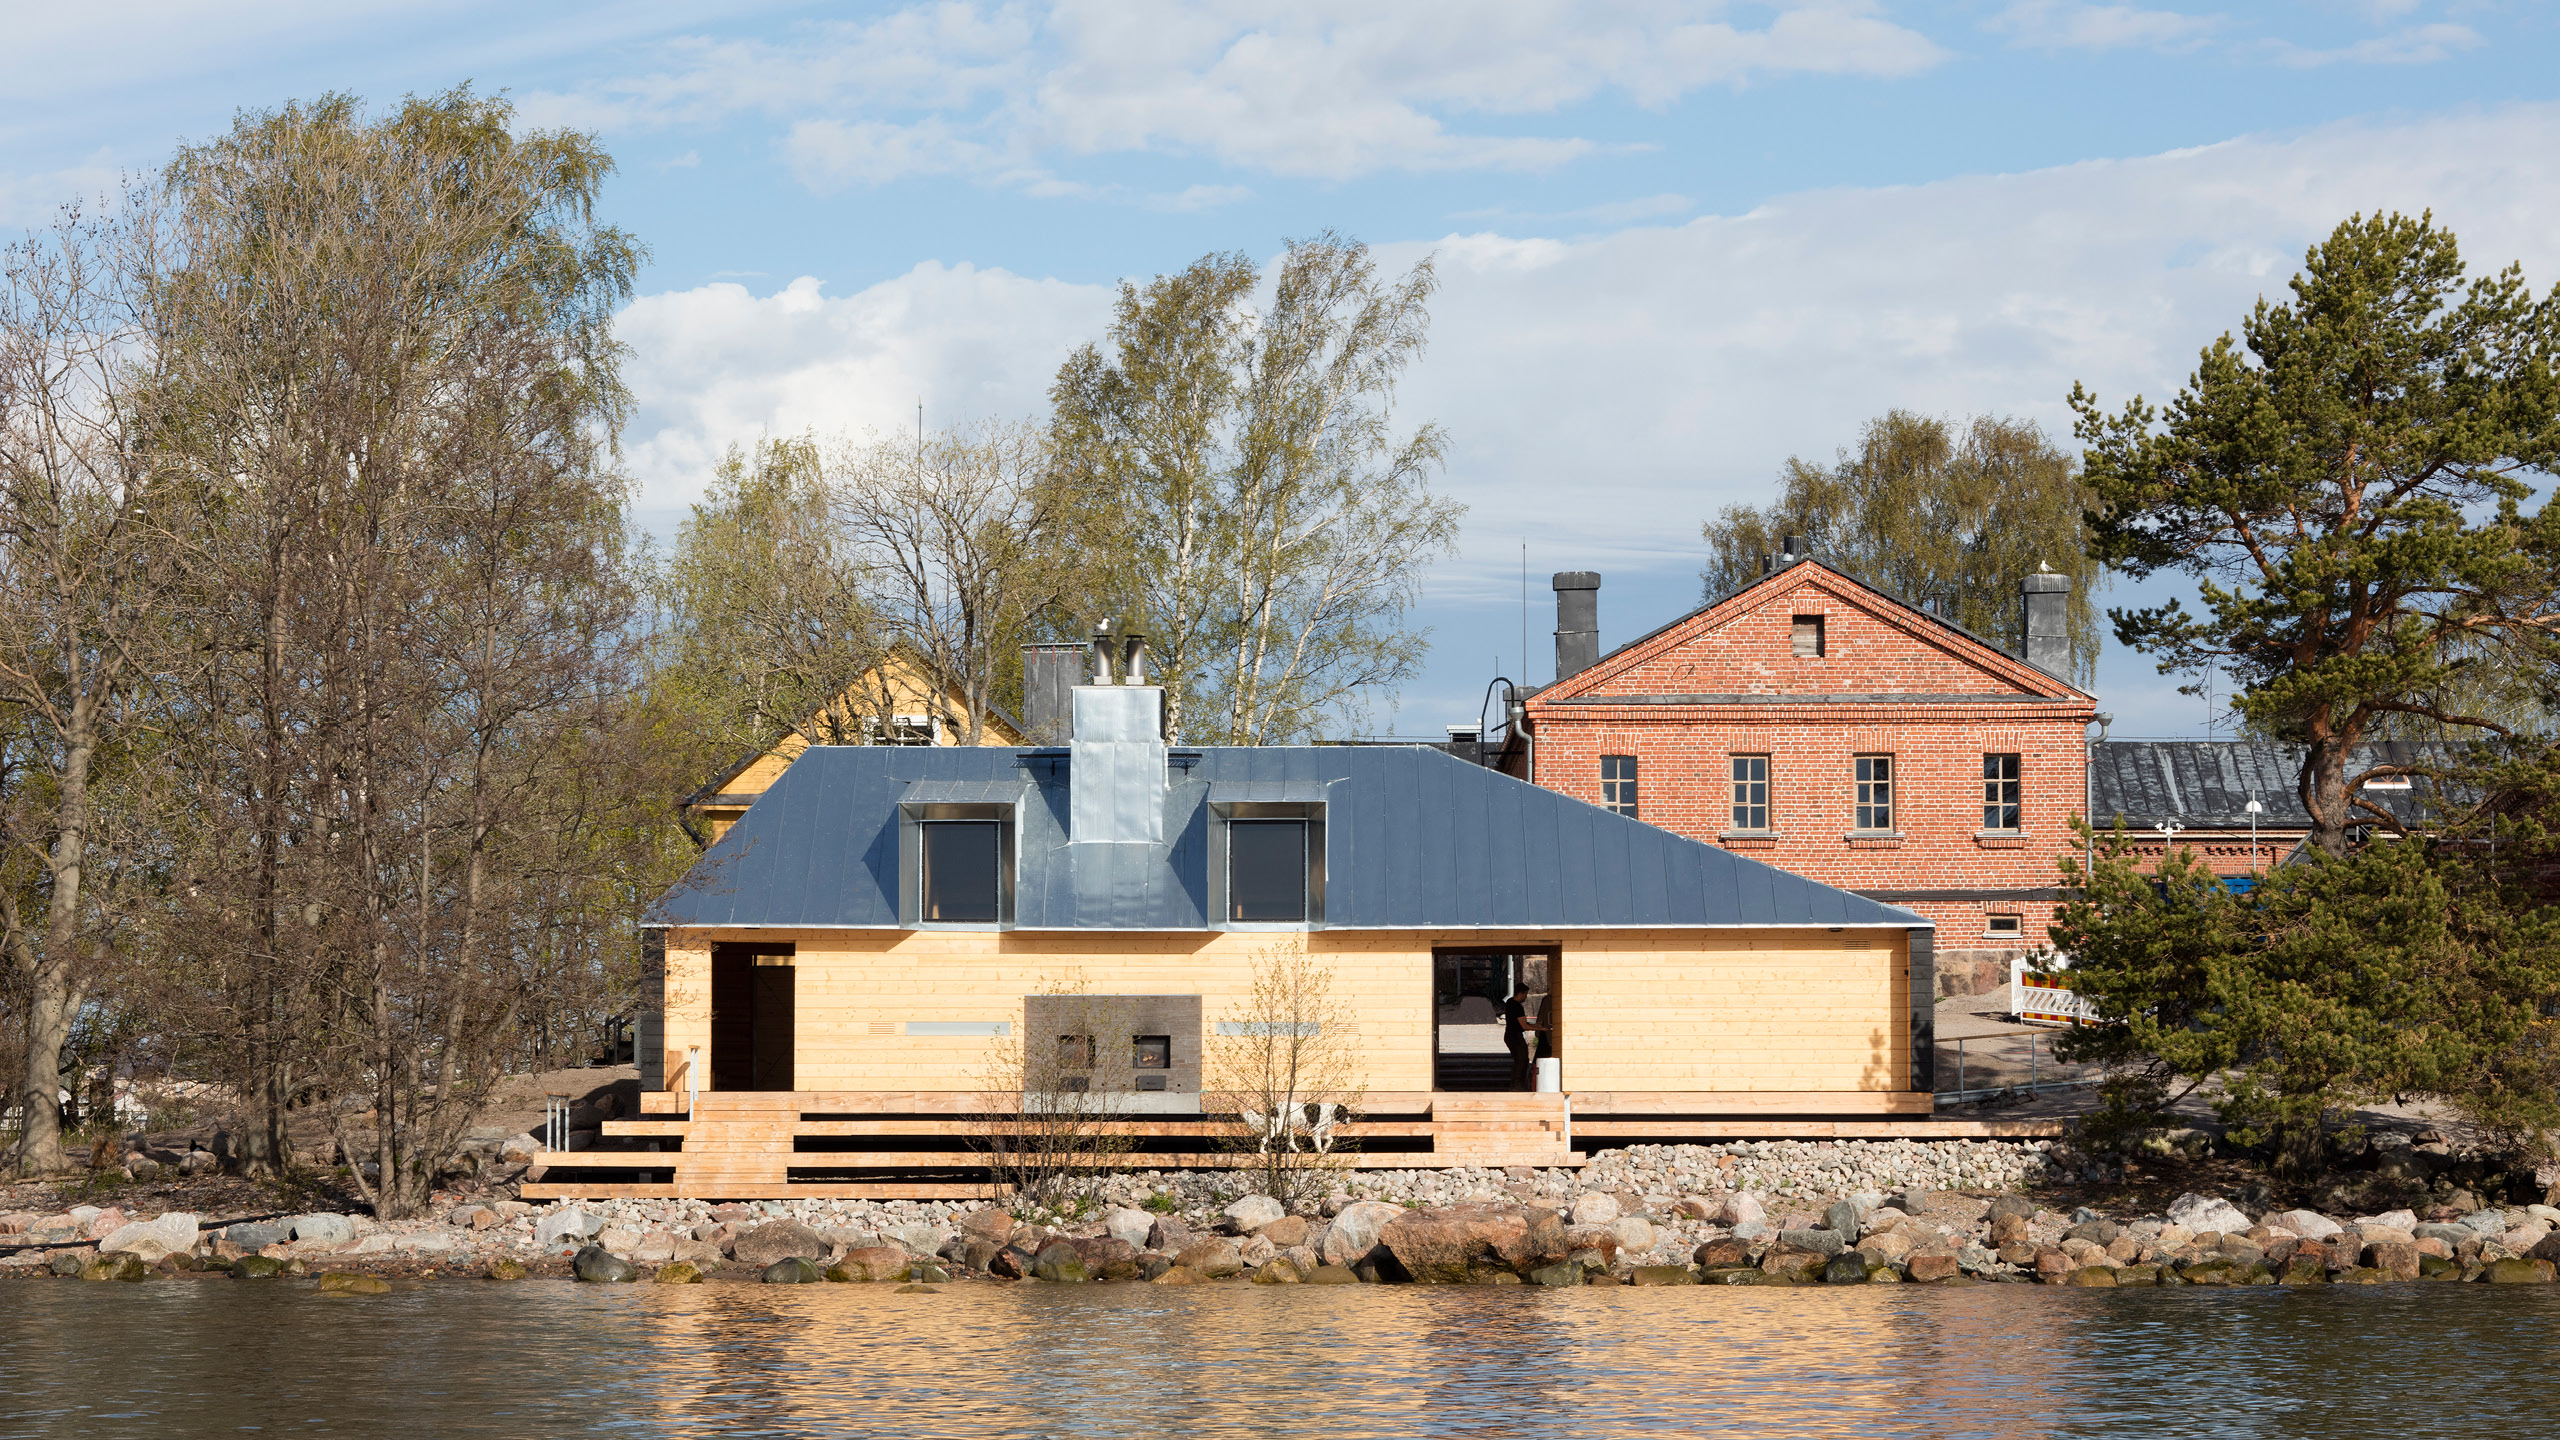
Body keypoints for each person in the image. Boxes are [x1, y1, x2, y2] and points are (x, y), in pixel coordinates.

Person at [1502, 987, 1546, 1087]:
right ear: (1520, 994)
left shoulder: (1509, 1002)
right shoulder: (1517, 1007)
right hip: (1515, 1036)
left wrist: (1536, 1025)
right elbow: (1524, 1026)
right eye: (1525, 994)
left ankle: (1516, 1083)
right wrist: (1541, 1029)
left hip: (1509, 1035)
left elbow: (1519, 1022)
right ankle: (1517, 1084)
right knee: (1522, 1060)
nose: (1526, 997)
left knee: (1519, 1059)